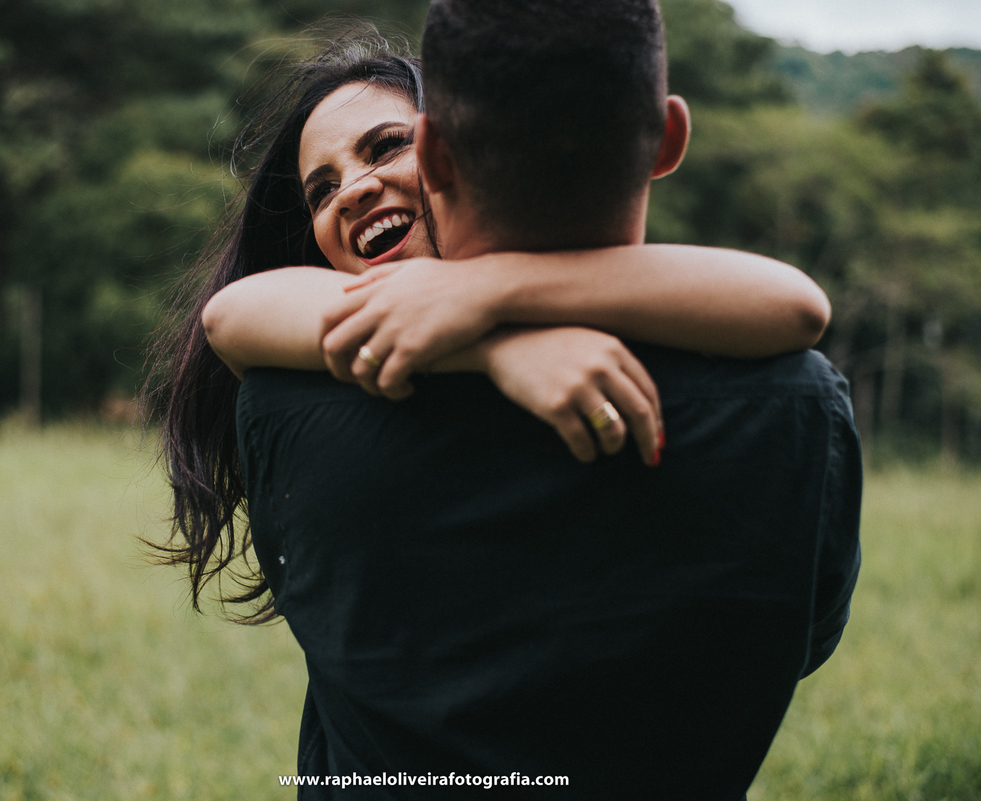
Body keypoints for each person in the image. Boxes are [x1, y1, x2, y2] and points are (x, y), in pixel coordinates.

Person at [206, 2, 862, 798]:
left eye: (387, 146)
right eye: (320, 190)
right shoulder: (792, 405)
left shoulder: (292, 412)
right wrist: (499, 342)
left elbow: (795, 304)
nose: (354, 191)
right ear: (664, 138)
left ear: (439, 153)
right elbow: (233, 315)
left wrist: (485, 292)